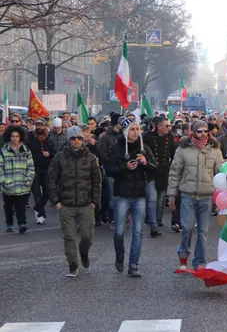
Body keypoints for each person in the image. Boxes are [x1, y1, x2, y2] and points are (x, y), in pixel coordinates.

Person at [168, 120, 224, 270]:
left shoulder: (215, 150)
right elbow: (174, 173)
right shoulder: (183, 149)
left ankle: (200, 262)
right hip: (188, 195)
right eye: (199, 131)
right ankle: (183, 257)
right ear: (192, 132)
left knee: (203, 232)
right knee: (186, 228)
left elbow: (221, 174)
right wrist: (171, 196)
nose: (203, 134)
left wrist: (222, 199)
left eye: (205, 131)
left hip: (206, 197)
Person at [106, 117, 157, 277]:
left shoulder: (144, 148)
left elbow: (155, 168)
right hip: (122, 195)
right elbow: (108, 169)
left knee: (137, 232)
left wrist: (145, 163)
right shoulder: (116, 147)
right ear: (126, 131)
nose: (136, 132)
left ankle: (133, 264)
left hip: (140, 195)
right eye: (132, 129)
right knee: (119, 232)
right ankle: (120, 256)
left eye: (137, 129)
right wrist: (125, 166)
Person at [47, 126, 102, 277]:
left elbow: (96, 180)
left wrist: (94, 201)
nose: (76, 141)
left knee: (87, 236)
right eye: (73, 138)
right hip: (66, 204)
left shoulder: (91, 158)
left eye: (79, 138)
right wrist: (56, 200)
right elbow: (51, 180)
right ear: (69, 139)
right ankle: (72, 264)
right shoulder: (59, 157)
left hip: (86, 204)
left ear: (83, 139)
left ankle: (84, 252)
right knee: (69, 236)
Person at [0, 125, 35, 233]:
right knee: (8, 207)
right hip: (8, 186)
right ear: (9, 137)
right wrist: (4, 182)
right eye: (12, 136)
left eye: (17, 136)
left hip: (22, 185)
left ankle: (22, 223)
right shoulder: (3, 151)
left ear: (20, 137)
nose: (15, 138)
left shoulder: (26, 151)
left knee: (21, 207)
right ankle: (9, 224)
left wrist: (28, 180)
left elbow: (31, 167)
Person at [144, 116, 175, 235]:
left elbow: (173, 154)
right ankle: (153, 224)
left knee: (161, 198)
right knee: (152, 198)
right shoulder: (148, 137)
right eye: (166, 126)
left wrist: (172, 169)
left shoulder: (170, 138)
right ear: (159, 127)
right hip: (151, 171)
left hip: (164, 171)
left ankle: (158, 218)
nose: (169, 128)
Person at [25, 117, 56, 225]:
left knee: (47, 192)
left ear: (45, 126)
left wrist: (49, 154)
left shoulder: (49, 138)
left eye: (41, 125)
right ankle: (41, 214)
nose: (39, 127)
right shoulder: (30, 137)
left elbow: (54, 154)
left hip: (46, 169)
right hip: (34, 169)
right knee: (36, 192)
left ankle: (38, 207)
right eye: (38, 125)